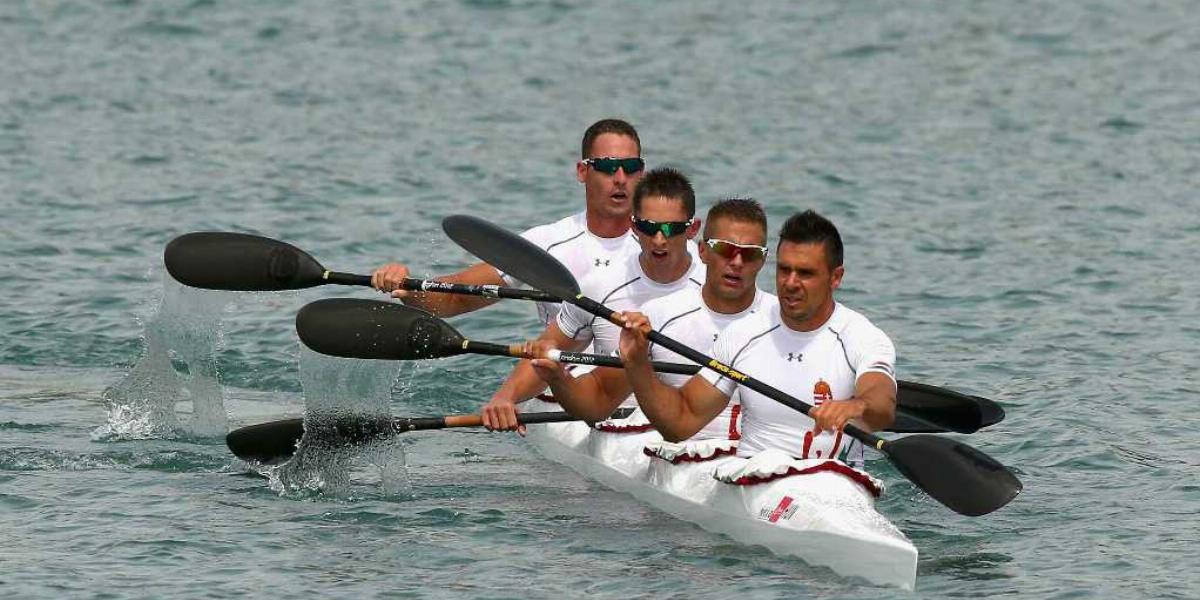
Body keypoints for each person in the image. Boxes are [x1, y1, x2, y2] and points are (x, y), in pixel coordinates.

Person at [617, 210, 896, 468]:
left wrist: (856, 406)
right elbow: (680, 422)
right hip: (756, 480)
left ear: (836, 277)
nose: (790, 283)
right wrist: (637, 363)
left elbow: (882, 403)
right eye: (784, 270)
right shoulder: (743, 334)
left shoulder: (861, 336)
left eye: (806, 273)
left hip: (836, 483)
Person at [530, 198, 775, 443]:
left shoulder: (781, 321)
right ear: (702, 251)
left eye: (750, 254)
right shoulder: (659, 317)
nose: (737, 262)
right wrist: (558, 379)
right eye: (725, 249)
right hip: (684, 453)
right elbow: (598, 401)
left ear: (763, 260)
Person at [482, 167, 705, 434]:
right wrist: (505, 398)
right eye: (648, 227)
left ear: (692, 229)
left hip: (696, 417)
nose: (659, 239)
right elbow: (549, 349)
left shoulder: (712, 286)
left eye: (671, 229)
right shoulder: (599, 287)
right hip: (616, 420)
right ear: (634, 226)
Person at [370, 118, 645, 324]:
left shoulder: (671, 244)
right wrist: (409, 288)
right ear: (583, 171)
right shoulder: (546, 243)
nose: (620, 178)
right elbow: (456, 299)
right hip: (564, 386)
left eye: (630, 168)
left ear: (641, 173)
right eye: (608, 167)